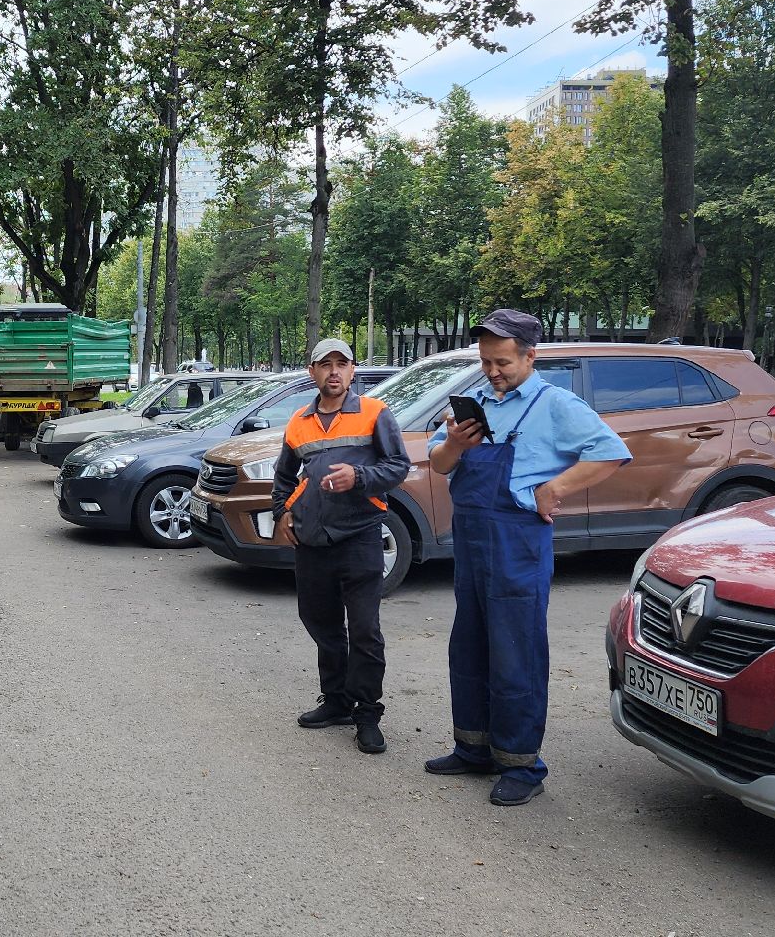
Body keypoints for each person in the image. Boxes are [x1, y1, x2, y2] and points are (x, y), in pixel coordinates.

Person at [423, 309, 629, 807]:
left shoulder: (554, 403)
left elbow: (611, 451)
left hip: (518, 542)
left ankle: (521, 764)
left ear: (530, 357)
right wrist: (453, 442)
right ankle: (472, 748)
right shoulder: (472, 405)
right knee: (469, 645)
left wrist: (554, 488)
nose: (492, 371)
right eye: (486, 361)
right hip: (473, 540)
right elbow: (438, 463)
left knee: (516, 651)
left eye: (502, 362)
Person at [269, 338, 412, 755]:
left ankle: (367, 712)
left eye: (341, 364)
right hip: (312, 540)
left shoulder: (375, 413)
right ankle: (335, 701)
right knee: (322, 623)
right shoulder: (299, 421)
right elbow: (283, 476)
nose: (334, 371)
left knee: (365, 630)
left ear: (353, 371)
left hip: (360, 536)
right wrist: (282, 513)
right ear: (312, 372)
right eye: (324, 364)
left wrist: (360, 477)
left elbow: (398, 466)